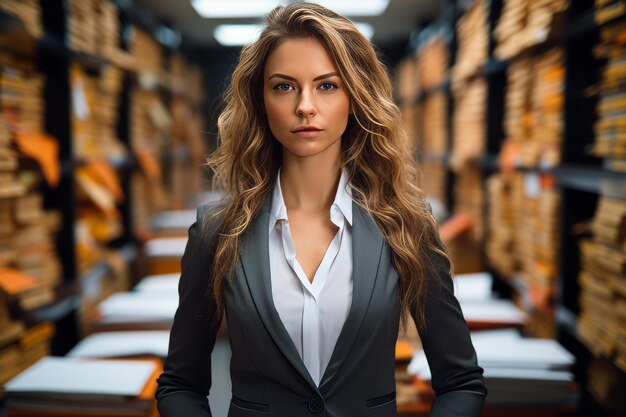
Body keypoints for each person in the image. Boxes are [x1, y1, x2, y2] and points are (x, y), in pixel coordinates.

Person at [155, 3, 487, 417]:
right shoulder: (217, 230)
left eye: (327, 86)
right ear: (261, 101)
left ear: (355, 97)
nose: (305, 106)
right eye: (284, 86)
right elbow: (180, 385)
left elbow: (461, 383)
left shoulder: (407, 226)